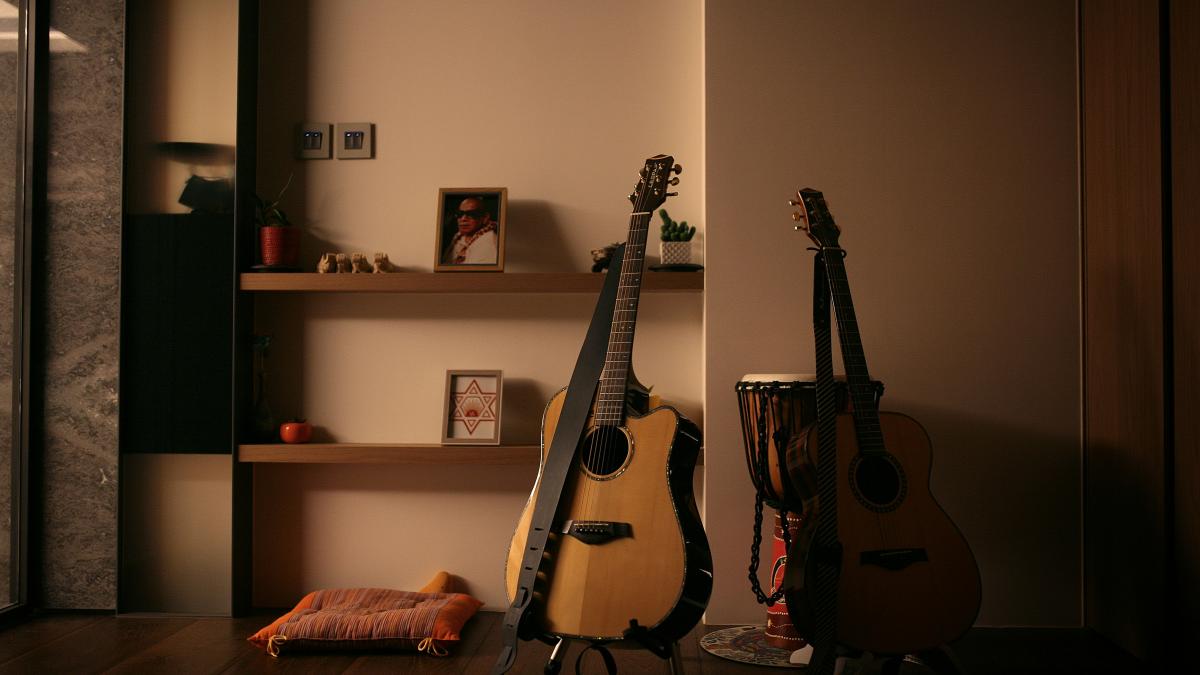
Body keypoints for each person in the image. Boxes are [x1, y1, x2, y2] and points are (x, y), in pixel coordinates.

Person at [442, 196, 498, 265]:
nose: (463, 219)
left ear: (485, 218)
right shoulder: (458, 237)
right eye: (460, 214)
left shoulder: (489, 242)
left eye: (471, 214)